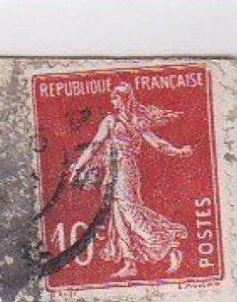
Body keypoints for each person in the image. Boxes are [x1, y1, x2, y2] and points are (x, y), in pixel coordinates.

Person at [70, 82, 194, 279]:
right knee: (118, 214)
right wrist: (78, 167)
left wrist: (179, 152)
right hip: (115, 170)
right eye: (113, 99)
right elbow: (94, 147)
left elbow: (157, 143)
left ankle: (169, 247)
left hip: (125, 171)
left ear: (124, 99)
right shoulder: (113, 121)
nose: (113, 102)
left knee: (130, 213)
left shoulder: (129, 121)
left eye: (116, 98)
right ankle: (130, 263)